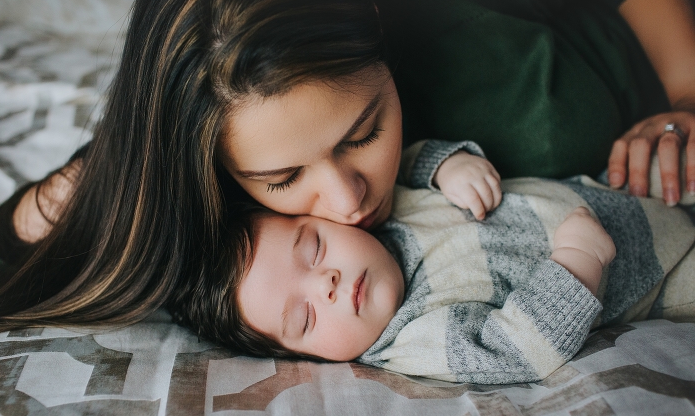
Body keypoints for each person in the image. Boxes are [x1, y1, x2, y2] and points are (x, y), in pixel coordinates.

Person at [0, 0, 695, 338]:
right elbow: (7, 269)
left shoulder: (444, 11)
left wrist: (687, 95)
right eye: (282, 180)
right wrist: (75, 192)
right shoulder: (211, 182)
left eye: (364, 131)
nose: (348, 200)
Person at [221, 140, 695, 384]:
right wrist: (577, 261)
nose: (326, 283)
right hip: (660, 273)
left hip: (608, 189)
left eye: (315, 248)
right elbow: (517, 349)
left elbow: (400, 160)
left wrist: (446, 165)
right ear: (307, 357)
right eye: (305, 318)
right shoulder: (413, 338)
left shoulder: (381, 213)